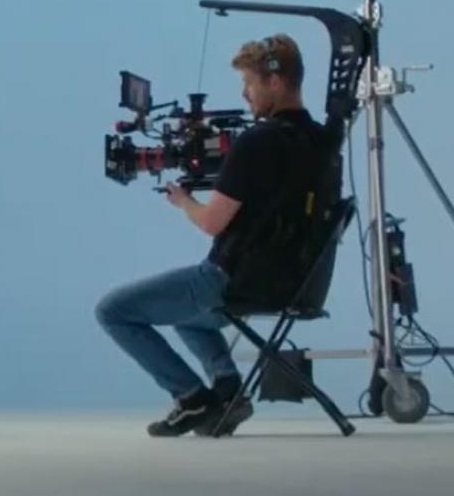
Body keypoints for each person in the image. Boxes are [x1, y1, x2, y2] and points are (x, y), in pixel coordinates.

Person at [96, 34, 330, 438]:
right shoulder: (322, 141)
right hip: (292, 282)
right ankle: (228, 391)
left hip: (232, 281)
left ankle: (191, 399)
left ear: (274, 82)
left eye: (249, 84)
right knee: (190, 318)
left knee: (112, 311)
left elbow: (211, 223)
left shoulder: (256, 142)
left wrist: (183, 200)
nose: (244, 95)